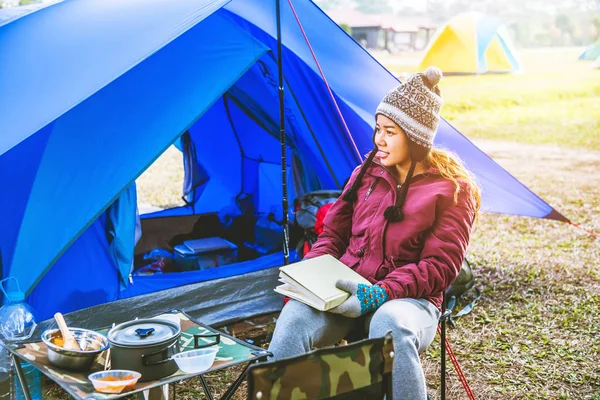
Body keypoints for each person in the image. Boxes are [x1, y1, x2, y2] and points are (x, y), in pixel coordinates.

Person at [267, 66, 481, 399]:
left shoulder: (452, 191)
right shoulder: (366, 172)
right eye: (378, 128)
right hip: (345, 294)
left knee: (389, 323)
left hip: (409, 301)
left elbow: (440, 268)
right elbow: (332, 235)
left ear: (416, 137)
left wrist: (381, 293)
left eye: (390, 131)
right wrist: (311, 276)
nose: (378, 139)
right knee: (293, 320)